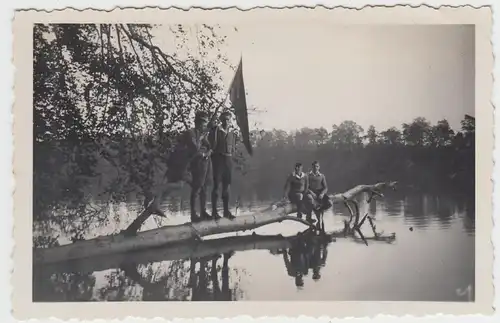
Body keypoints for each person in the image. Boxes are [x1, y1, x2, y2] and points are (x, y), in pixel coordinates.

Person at [180, 111, 213, 223]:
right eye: (203, 122)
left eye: (205, 123)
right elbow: (194, 148)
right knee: (197, 187)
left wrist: (208, 153)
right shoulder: (191, 133)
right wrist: (203, 153)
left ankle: (203, 212)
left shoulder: (202, 134)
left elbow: (209, 146)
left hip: (205, 163)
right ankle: (194, 214)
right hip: (196, 163)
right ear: (197, 122)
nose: (204, 125)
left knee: (204, 188)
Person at [208, 110, 237, 220]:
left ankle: (226, 211)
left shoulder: (232, 133)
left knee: (227, 186)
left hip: (228, 159)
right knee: (216, 185)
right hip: (218, 159)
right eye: (224, 119)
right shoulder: (215, 130)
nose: (226, 121)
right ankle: (214, 212)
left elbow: (233, 147)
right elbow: (211, 143)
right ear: (221, 120)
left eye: (228, 119)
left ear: (230, 121)